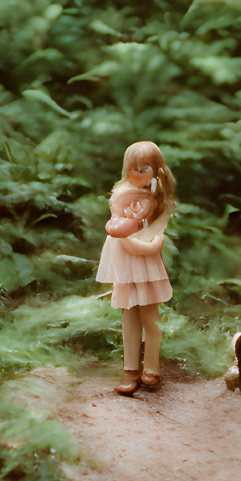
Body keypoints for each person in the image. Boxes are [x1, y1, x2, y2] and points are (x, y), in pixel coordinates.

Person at [95, 140, 175, 395]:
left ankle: (151, 367)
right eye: (134, 168)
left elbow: (157, 232)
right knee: (129, 314)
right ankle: (130, 370)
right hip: (125, 261)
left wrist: (147, 238)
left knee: (150, 318)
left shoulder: (159, 200)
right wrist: (129, 230)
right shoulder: (122, 194)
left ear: (157, 171)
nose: (138, 174)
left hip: (146, 262)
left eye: (145, 169)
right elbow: (116, 223)